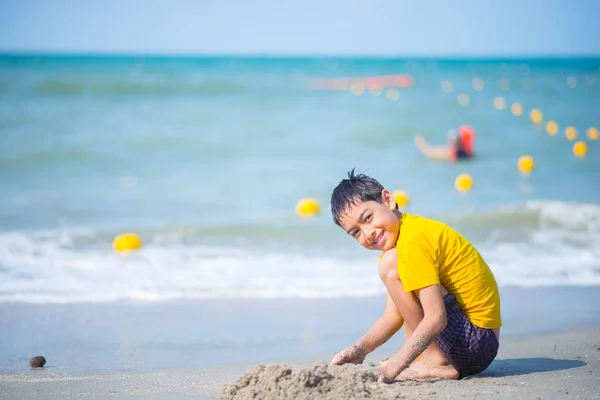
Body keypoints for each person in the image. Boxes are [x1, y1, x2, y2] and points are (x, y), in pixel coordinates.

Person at [329, 169, 501, 382]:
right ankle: (431, 358)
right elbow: (393, 317)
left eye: (368, 218)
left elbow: (436, 318)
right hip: (477, 342)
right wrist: (360, 350)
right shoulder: (404, 238)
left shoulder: (411, 243)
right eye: (356, 232)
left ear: (388, 199)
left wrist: (391, 369)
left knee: (389, 266)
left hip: (475, 342)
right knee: (390, 264)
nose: (368, 233)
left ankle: (435, 361)